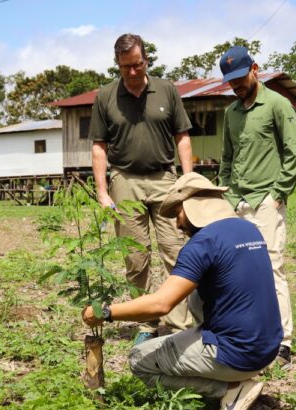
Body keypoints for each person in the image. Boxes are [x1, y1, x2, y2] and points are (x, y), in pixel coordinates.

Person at [82, 172, 282, 410]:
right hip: (268, 348)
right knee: (198, 292)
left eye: (177, 213)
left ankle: (230, 389)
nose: (177, 224)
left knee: (138, 360)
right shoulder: (249, 229)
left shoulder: (203, 243)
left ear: (191, 206)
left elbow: (161, 304)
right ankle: (227, 371)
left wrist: (106, 312)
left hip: (237, 355)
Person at [89, 33, 194, 344]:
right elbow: (99, 146)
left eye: (137, 65)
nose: (132, 72)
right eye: (125, 67)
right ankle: (146, 324)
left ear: (146, 60)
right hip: (125, 180)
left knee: (176, 252)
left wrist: (188, 183)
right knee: (135, 258)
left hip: (165, 179)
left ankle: (179, 325)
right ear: (117, 64)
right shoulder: (106, 96)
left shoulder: (166, 90)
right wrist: (102, 192)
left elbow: (182, 137)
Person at [217, 46, 296, 366]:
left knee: (271, 268)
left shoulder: (277, 104)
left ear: (254, 69)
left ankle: (283, 342)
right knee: (238, 271)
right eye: (230, 81)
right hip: (237, 201)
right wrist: (226, 193)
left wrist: (278, 193)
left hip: (266, 200)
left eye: (240, 78)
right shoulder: (231, 112)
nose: (236, 85)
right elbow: (227, 157)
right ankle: (248, 333)